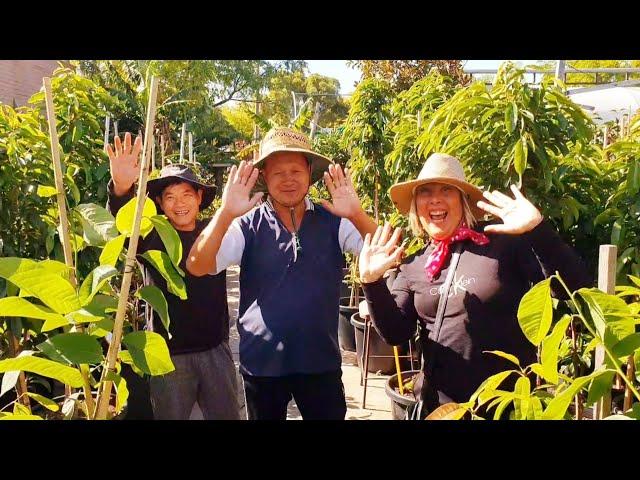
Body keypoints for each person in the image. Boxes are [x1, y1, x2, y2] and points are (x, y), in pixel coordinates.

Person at [358, 152, 590, 415]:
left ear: (463, 199)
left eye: (447, 189)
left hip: (506, 404)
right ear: (416, 205)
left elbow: (572, 287)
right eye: (425, 191)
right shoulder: (414, 265)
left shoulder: (502, 245)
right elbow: (395, 333)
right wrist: (371, 282)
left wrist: (538, 230)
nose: (435, 198)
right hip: (442, 409)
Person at [187, 127, 377, 420]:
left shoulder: (334, 221)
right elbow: (198, 265)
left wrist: (356, 213)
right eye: (278, 172)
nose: (288, 179)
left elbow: (386, 250)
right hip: (262, 365)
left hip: (320, 362)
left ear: (309, 172)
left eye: (295, 170)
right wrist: (225, 213)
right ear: (264, 176)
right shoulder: (246, 225)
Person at [106, 132, 239, 420]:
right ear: (160, 203)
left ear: (200, 197)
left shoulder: (213, 231)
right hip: (168, 356)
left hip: (215, 349)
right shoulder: (151, 236)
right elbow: (122, 222)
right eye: (170, 197)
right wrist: (121, 186)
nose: (179, 204)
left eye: (186, 194)